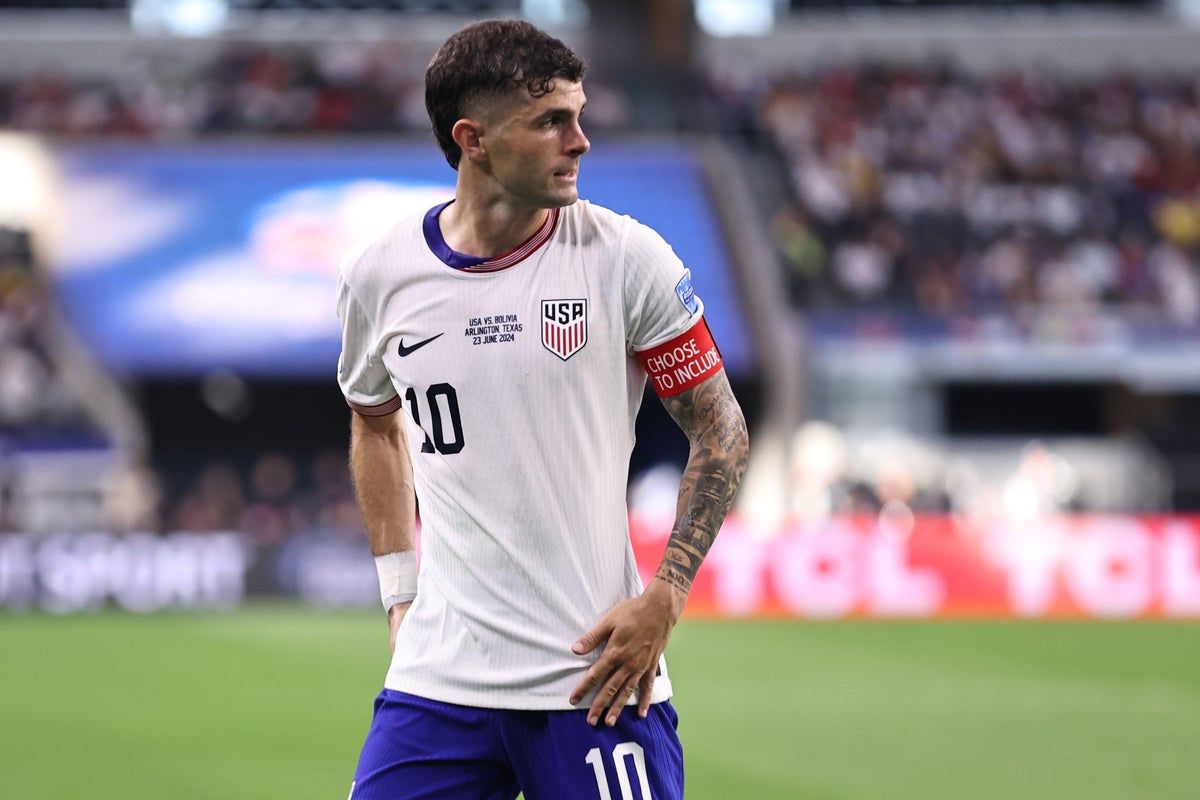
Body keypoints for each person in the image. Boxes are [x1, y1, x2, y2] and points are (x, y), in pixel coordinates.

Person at [336, 19, 748, 800]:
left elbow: (719, 428)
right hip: (438, 681)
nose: (580, 141)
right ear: (474, 140)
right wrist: (399, 592)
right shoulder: (379, 277)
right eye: (552, 121)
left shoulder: (626, 258)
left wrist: (665, 596)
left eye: (578, 116)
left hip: (595, 677)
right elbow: (373, 420)